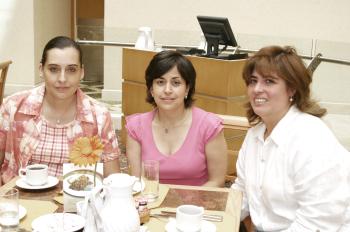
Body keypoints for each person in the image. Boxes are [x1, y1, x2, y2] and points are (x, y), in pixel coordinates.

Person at [232, 45, 350, 231]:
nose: (257, 89)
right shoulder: (254, 135)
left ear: (292, 89)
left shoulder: (311, 137)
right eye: (253, 81)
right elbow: (242, 192)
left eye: (269, 81)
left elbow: (320, 219)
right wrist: (214, 221)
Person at [0, 36, 120, 184]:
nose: (62, 78)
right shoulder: (13, 107)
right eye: (53, 69)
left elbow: (113, 180)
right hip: (20, 202)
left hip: (76, 202)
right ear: (41, 70)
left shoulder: (99, 116)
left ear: (81, 72)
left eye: (71, 70)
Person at [125, 50, 227, 187]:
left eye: (176, 83)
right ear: (151, 89)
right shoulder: (136, 127)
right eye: (160, 82)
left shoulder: (209, 126)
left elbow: (217, 181)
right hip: (150, 204)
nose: (167, 90)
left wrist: (186, 207)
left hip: (196, 205)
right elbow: (135, 183)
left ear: (187, 89)